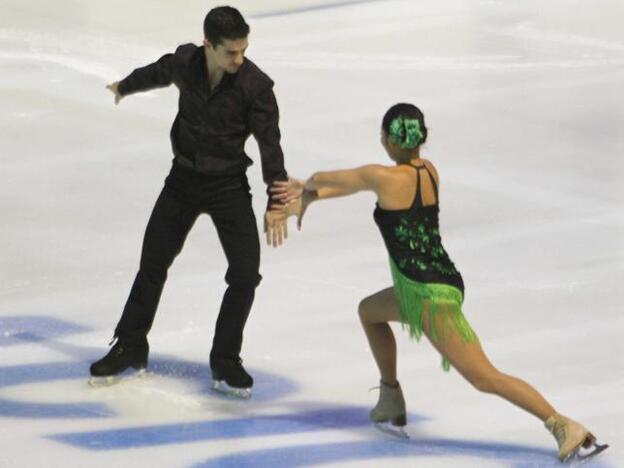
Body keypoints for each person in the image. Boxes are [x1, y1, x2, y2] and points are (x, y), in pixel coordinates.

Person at [271, 103, 607, 462]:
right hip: (432, 283)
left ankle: (561, 424)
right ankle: (390, 399)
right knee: (370, 311)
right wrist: (310, 197)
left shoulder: (382, 176)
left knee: (484, 377)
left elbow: (325, 177)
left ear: (386, 138)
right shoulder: (428, 172)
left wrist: (306, 190)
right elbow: (353, 187)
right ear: (421, 138)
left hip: (428, 294)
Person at [90, 6, 289, 398]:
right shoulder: (186, 61)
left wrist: (276, 199)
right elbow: (158, 71)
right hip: (182, 180)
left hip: (228, 186)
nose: (239, 59)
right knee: (153, 263)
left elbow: (271, 144)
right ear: (208, 46)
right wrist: (124, 86)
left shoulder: (256, 86)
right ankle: (131, 344)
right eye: (231, 52)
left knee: (246, 273)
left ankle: (226, 358)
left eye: (244, 50)